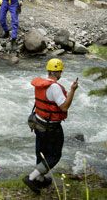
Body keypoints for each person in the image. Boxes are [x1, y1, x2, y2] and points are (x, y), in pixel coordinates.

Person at [23, 58, 78, 194]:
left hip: (38, 123)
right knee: (54, 155)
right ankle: (31, 178)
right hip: (51, 128)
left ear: (48, 71)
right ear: (57, 72)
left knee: (41, 153)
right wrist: (73, 90)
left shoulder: (41, 84)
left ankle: (40, 179)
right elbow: (64, 107)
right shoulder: (54, 87)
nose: (61, 73)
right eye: (60, 71)